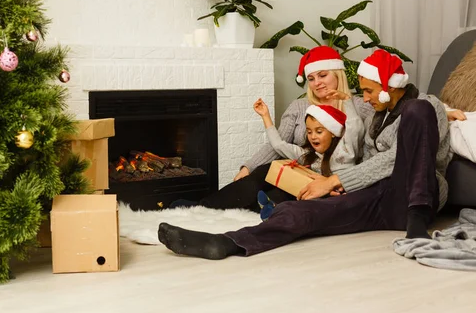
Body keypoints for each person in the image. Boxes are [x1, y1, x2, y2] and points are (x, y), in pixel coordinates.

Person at [158, 49, 451, 260]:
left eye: (370, 91)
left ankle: (417, 220)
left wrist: (335, 180)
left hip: (419, 191)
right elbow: (362, 160)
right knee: (300, 211)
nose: (367, 97)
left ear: (389, 87)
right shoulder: (377, 115)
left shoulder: (426, 106)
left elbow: (396, 158)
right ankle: (227, 243)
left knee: (417, 109)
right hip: (381, 197)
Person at [169, 46, 373, 212]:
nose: (317, 83)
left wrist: (346, 182)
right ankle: (202, 208)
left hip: (334, 183)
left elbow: (368, 153)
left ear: (337, 74)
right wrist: (248, 167)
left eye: (322, 75)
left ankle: (254, 210)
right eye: (311, 78)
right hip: (301, 171)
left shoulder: (361, 107)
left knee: (276, 196)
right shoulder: (299, 107)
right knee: (264, 172)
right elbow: (278, 144)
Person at [254, 92, 365, 220]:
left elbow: (355, 128)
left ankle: (278, 212)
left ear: (333, 132)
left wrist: (347, 100)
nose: (313, 136)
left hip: (342, 203)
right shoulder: (308, 156)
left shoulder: (345, 150)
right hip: (317, 200)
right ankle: (274, 209)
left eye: (319, 131)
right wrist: (265, 116)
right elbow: (279, 145)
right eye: (309, 131)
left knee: (309, 205)